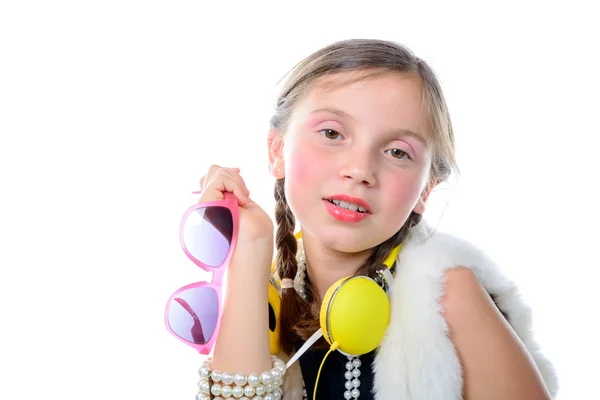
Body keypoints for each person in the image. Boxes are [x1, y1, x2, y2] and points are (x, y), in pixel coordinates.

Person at [193, 39, 558, 399]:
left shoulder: (448, 295)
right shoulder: (273, 288)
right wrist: (248, 252)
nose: (360, 169)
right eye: (332, 133)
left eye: (398, 151)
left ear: (426, 189)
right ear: (277, 150)